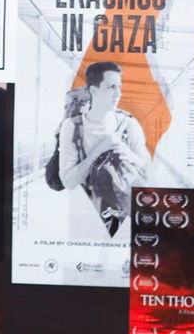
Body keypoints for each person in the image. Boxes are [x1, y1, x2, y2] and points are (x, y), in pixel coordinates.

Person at [54, 60, 150, 237]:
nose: (118, 94)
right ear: (93, 90)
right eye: (111, 87)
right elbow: (69, 182)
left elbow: (147, 168)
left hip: (127, 212)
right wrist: (100, 149)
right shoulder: (73, 127)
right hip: (88, 216)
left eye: (119, 87)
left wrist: (128, 153)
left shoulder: (129, 124)